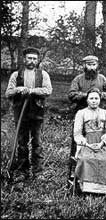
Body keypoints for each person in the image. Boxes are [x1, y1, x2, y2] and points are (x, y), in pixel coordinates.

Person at [5, 47, 53, 180]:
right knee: (22, 142)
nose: (32, 61)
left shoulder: (43, 75)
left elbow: (48, 91)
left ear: (37, 60)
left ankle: (38, 172)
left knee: (37, 143)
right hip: (21, 112)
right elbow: (8, 93)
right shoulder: (16, 75)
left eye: (34, 59)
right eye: (29, 58)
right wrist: (18, 89)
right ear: (24, 59)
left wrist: (32, 91)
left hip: (37, 112)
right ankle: (22, 171)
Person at [67, 55, 106, 180]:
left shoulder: (102, 79)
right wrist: (86, 96)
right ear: (84, 65)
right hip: (81, 114)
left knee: (98, 140)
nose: (91, 67)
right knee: (77, 141)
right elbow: (71, 94)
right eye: (89, 65)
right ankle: (75, 170)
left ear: (97, 65)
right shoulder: (78, 79)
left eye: (94, 65)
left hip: (99, 115)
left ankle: (96, 171)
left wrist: (98, 95)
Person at [73, 88, 106, 194]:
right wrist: (87, 144)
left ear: (100, 99)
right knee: (86, 159)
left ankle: (105, 189)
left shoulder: (105, 113)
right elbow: (77, 133)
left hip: (102, 144)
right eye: (91, 98)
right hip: (87, 143)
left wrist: (102, 143)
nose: (94, 101)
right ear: (87, 100)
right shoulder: (81, 113)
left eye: (96, 98)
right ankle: (88, 188)